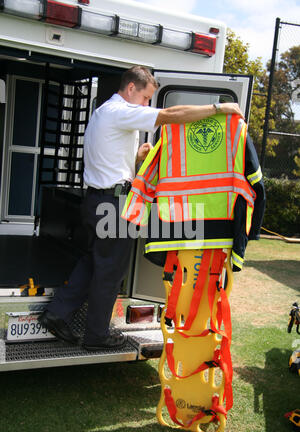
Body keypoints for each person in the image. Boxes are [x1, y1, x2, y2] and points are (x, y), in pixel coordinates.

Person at [39, 65, 244, 351]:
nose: (148, 104)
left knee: (94, 262)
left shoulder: (103, 112)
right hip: (113, 204)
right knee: (109, 273)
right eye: (146, 98)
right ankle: (96, 336)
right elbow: (171, 116)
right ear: (131, 88)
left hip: (97, 200)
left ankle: (57, 313)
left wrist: (136, 157)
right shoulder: (120, 111)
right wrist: (218, 108)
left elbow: (106, 158)